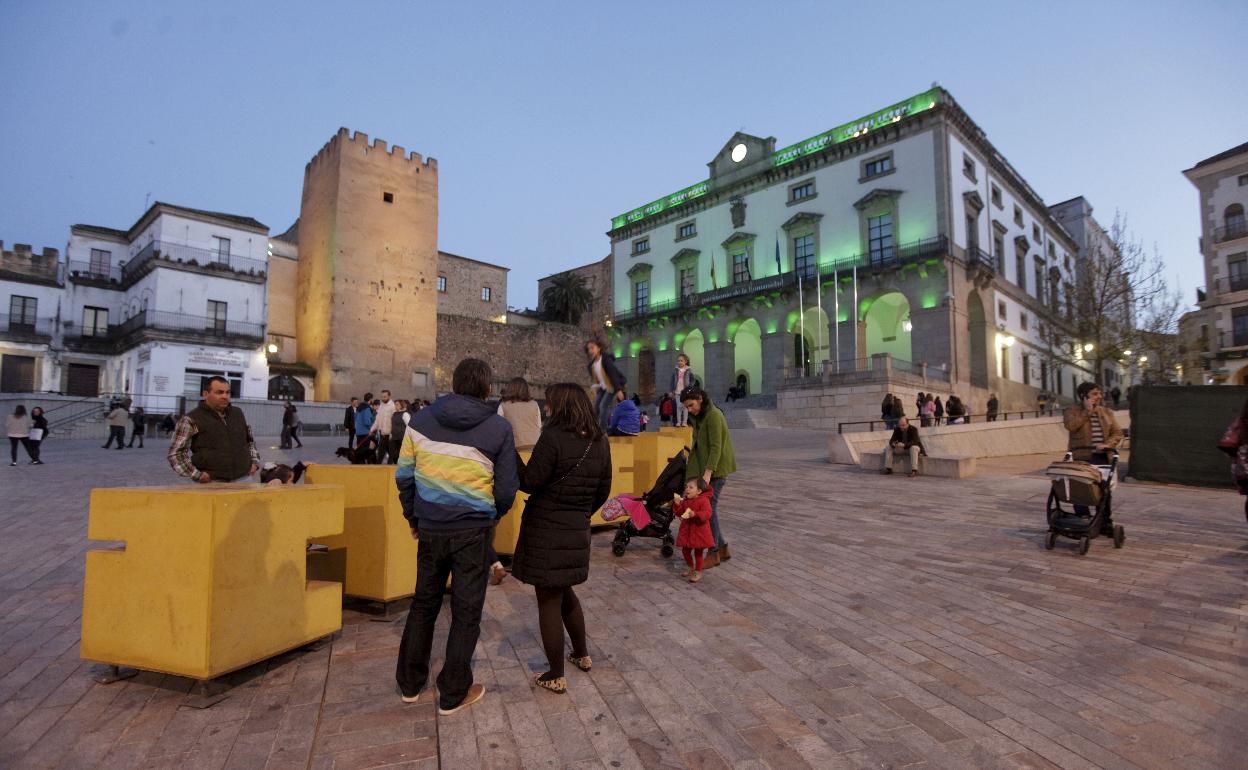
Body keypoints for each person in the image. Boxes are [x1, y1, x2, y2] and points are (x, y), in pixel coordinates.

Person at [394, 358, 518, 715]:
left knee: (423, 604)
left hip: (431, 525)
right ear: (485, 388)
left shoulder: (419, 421)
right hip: (473, 530)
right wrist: (490, 515)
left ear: (455, 382)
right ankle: (452, 693)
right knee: (466, 612)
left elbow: (404, 476)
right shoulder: (498, 427)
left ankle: (409, 684)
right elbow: (508, 487)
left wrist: (414, 515)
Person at [512, 383, 612, 695]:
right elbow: (603, 489)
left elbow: (531, 481)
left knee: (549, 599)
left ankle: (554, 673)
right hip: (576, 527)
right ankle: (581, 654)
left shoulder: (553, 437)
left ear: (562, 406)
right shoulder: (600, 440)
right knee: (564, 590)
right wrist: (580, 512)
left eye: (550, 404)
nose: (546, 408)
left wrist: (512, 454)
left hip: (547, 529)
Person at [680, 386, 737, 568]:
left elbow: (716, 447)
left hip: (716, 471)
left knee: (707, 511)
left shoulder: (713, 416)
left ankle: (713, 553)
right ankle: (722, 548)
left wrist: (707, 473)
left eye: (691, 405)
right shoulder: (698, 416)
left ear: (700, 399)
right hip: (705, 468)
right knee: (710, 509)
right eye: (687, 407)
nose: (690, 410)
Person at [168, 376, 260, 483]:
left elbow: (249, 441)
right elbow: (176, 454)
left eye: (228, 392)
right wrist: (197, 475)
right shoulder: (191, 419)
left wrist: (254, 462)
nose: (225, 396)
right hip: (213, 481)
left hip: (244, 478)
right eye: (219, 392)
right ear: (205, 394)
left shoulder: (238, 413)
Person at [1063, 382, 1124, 523]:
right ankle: (1082, 516)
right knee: (1080, 487)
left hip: (1102, 456)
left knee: (1103, 488)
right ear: (1083, 396)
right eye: (1094, 394)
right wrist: (1087, 411)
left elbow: (1117, 432)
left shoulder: (1106, 412)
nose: (1099, 397)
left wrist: (1107, 445)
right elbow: (1071, 426)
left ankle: (1103, 518)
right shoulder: (1071, 411)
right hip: (1081, 456)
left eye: (1099, 393)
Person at [673, 477, 714, 583]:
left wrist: (695, 514)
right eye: (687, 487)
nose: (687, 489)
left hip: (699, 531)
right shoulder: (685, 500)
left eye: (691, 487)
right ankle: (691, 567)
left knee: (698, 553)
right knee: (685, 550)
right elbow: (680, 513)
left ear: (699, 491)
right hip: (687, 530)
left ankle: (698, 571)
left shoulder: (704, 500)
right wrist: (677, 505)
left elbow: (707, 513)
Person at [586, 338, 627, 432]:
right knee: (595, 406)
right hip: (603, 388)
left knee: (603, 406)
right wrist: (595, 386)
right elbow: (597, 379)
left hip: (612, 386)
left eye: (592, 348)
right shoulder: (591, 365)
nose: (590, 351)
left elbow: (614, 375)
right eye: (589, 349)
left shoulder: (606, 360)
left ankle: (603, 429)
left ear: (599, 348)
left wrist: (619, 390)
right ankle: (593, 427)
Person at [497, 377, 542, 451]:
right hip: (534, 446)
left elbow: (499, 430)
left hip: (513, 447)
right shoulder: (535, 404)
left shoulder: (503, 405)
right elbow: (539, 425)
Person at [670, 354, 699, 427]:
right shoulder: (675, 370)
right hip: (677, 391)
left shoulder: (688, 370)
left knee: (685, 407)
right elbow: (672, 381)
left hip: (685, 391)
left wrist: (690, 386)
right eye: (678, 361)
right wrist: (671, 391)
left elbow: (693, 379)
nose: (679, 362)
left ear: (685, 361)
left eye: (681, 361)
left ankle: (684, 422)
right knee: (678, 407)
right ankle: (678, 422)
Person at [371, 389, 397, 464]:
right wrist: (372, 429)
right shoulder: (381, 406)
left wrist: (392, 433)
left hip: (390, 435)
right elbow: (377, 420)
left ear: (389, 396)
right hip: (382, 434)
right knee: (380, 453)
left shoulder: (393, 406)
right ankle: (378, 468)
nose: (383, 398)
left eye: (385, 397)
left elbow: (394, 421)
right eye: (382, 397)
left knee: (391, 454)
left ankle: (390, 469)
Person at [355, 393, 376, 459]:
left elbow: (355, 418)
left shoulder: (359, 408)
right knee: (366, 449)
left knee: (360, 448)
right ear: (370, 399)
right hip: (365, 432)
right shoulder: (367, 408)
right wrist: (371, 428)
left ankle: (358, 462)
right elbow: (367, 421)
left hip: (358, 431)